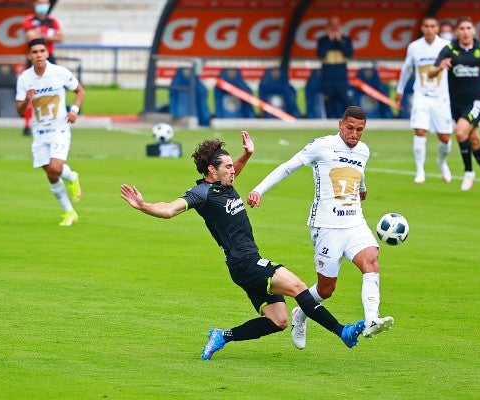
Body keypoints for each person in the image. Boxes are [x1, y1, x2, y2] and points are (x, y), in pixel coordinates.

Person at [119, 131, 366, 361]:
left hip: (244, 264)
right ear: (211, 170)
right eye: (226, 167)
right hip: (245, 263)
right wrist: (143, 206)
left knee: (278, 321)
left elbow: (235, 169)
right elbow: (170, 209)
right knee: (298, 286)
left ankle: (222, 336)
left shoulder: (224, 183)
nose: (233, 170)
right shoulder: (202, 193)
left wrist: (247, 154)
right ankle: (342, 331)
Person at [247, 106, 394, 350]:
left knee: (371, 262)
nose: (354, 134)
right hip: (326, 226)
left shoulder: (364, 150)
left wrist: (362, 188)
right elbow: (288, 167)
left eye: (360, 130)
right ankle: (300, 315)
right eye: (350, 128)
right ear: (340, 124)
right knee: (326, 289)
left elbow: (358, 172)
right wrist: (258, 190)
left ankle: (371, 320)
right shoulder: (321, 145)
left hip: (355, 222)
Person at [15, 38, 85, 226]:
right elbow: (20, 111)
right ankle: (69, 212)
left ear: (47, 53)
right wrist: (27, 101)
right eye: (35, 52)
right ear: (29, 56)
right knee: (51, 174)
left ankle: (71, 177)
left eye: (41, 51)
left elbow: (79, 91)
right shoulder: (25, 79)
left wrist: (74, 111)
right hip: (39, 133)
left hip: (60, 129)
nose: (39, 55)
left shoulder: (59, 73)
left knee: (55, 167)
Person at [429, 16, 480, 195]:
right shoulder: (449, 49)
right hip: (456, 104)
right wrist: (440, 67)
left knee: (460, 132)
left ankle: (468, 171)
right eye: (462, 28)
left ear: (474, 30)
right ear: (457, 31)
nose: (465, 32)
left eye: (469, 28)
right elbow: (430, 72)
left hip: (477, 100)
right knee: (475, 141)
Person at [395, 16, 454, 184]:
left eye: (433, 26)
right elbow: (407, 69)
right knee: (420, 130)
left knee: (445, 138)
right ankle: (420, 171)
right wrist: (399, 90)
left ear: (437, 29)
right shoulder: (414, 47)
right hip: (421, 95)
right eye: (426, 26)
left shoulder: (445, 46)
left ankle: (442, 163)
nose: (429, 29)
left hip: (441, 97)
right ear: (422, 28)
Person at [21, 0, 64, 136]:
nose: (43, 6)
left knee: (53, 90)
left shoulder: (53, 21)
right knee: (31, 91)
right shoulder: (29, 20)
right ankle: (27, 125)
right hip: (34, 59)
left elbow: (60, 37)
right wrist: (50, 37)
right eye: (40, 2)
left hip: (49, 58)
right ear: (35, 4)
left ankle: (52, 123)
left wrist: (41, 35)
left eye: (45, 3)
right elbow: (31, 38)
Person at [317, 15, 354, 119]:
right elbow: (321, 54)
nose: (334, 28)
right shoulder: (322, 41)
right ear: (328, 27)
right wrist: (330, 39)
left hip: (341, 78)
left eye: (336, 25)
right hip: (327, 78)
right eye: (332, 25)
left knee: (347, 105)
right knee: (329, 105)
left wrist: (339, 40)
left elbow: (348, 53)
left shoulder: (346, 40)